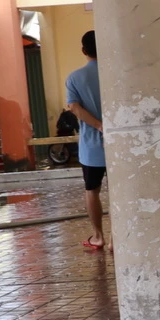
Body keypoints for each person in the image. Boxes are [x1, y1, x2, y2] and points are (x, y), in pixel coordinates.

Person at [64, 30, 109, 252]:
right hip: (121, 145)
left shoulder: (74, 78)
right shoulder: (116, 72)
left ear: (84, 51)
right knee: (120, 191)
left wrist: (99, 126)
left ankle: (99, 236)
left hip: (92, 148)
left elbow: (75, 108)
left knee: (92, 190)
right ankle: (117, 239)